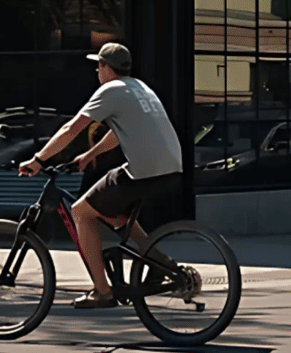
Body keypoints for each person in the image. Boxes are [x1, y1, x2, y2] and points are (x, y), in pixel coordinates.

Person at [18, 42, 184, 309]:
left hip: (144, 171)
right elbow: (118, 133)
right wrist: (88, 155)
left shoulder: (111, 90)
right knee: (106, 211)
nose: (97, 71)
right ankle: (158, 260)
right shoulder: (140, 88)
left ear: (107, 68)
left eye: (99, 65)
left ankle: (102, 291)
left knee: (81, 211)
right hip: (170, 169)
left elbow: (72, 128)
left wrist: (39, 160)